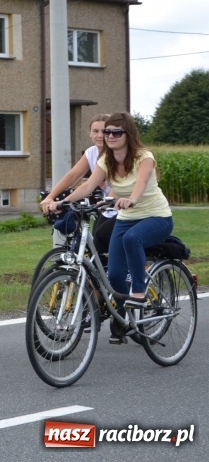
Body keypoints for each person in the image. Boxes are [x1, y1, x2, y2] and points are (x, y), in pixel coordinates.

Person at [48, 112, 172, 343]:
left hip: (156, 217)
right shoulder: (106, 160)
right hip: (126, 218)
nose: (110, 136)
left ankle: (139, 293)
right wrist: (63, 203)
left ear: (128, 134)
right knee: (114, 275)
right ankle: (123, 319)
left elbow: (142, 183)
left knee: (131, 239)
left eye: (116, 132)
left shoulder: (144, 157)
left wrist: (132, 199)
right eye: (107, 132)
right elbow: (87, 185)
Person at [40, 113, 115, 256]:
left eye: (104, 131)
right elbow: (72, 176)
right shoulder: (91, 152)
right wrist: (50, 197)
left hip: (119, 204)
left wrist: (106, 202)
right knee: (98, 250)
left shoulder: (115, 154)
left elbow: (119, 185)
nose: (99, 135)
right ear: (89, 134)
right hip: (105, 207)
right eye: (95, 131)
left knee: (104, 240)